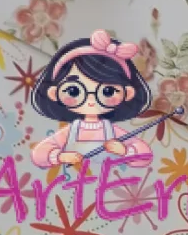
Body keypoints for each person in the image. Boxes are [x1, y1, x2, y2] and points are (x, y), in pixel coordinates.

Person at [30, 30, 154, 170]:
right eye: (74, 91)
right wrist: (60, 156)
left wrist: (125, 151)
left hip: (111, 181)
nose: (90, 100)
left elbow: (145, 156)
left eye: (108, 91)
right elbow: (38, 154)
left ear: (128, 93)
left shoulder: (111, 131)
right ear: (54, 93)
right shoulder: (71, 131)